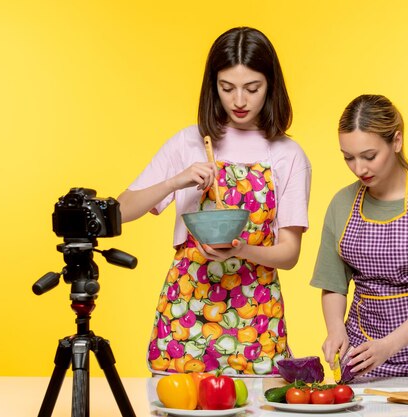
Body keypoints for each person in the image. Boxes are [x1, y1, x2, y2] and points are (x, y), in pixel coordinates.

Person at [118, 27, 311, 375]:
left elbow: (289, 253)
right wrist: (176, 181)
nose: (239, 100)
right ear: (213, 86)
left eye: (252, 89)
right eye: (227, 88)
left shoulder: (288, 154)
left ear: (270, 86)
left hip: (257, 316)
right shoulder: (187, 142)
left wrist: (240, 250)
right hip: (186, 312)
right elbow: (121, 210)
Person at [310, 94, 408, 378]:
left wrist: (388, 346)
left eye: (369, 156)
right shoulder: (341, 204)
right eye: (349, 158)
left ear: (396, 141)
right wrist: (335, 329)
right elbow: (333, 282)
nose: (359, 169)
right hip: (365, 352)